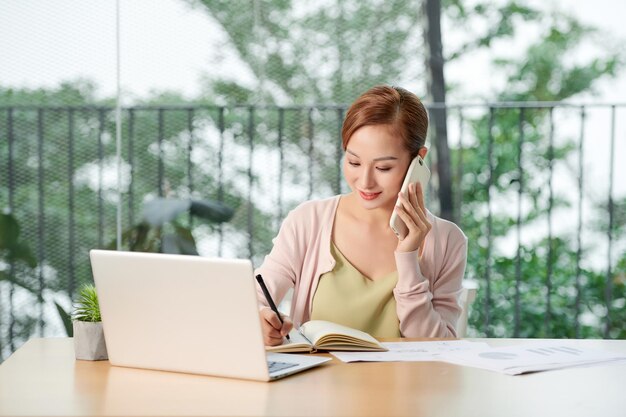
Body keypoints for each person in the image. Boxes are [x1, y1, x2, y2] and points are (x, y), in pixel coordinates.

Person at [256, 85, 467, 346]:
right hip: (318, 385)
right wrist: (261, 318)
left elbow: (439, 345)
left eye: (383, 167)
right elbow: (256, 297)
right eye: (354, 162)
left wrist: (408, 257)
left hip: (408, 386)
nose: (365, 181)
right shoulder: (308, 221)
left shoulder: (447, 240)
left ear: (418, 160)